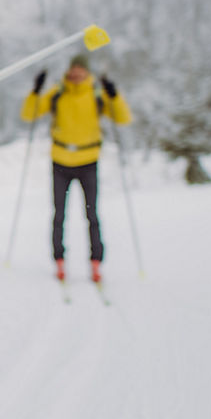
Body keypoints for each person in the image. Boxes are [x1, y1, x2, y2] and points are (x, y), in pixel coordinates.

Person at [21, 53, 132, 283]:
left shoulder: (97, 93)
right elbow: (29, 114)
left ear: (87, 71)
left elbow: (122, 118)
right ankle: (59, 259)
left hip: (88, 162)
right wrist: (35, 91)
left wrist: (114, 94)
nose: (76, 74)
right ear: (69, 70)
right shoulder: (58, 91)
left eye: (81, 70)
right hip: (61, 161)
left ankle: (96, 261)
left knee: (92, 214)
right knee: (59, 214)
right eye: (74, 70)